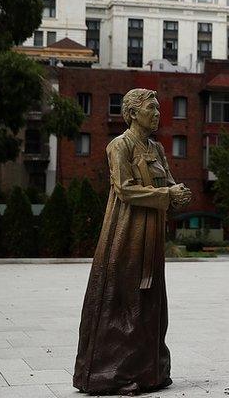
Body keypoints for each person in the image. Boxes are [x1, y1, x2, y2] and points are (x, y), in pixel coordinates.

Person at [74, 88, 192, 395]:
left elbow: (166, 182)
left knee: (151, 298)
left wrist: (177, 193)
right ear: (132, 113)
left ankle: (149, 370)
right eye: (151, 109)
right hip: (126, 232)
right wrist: (166, 195)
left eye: (157, 109)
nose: (157, 114)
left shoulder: (157, 148)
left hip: (152, 233)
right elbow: (125, 190)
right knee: (124, 296)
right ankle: (111, 373)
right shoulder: (120, 145)